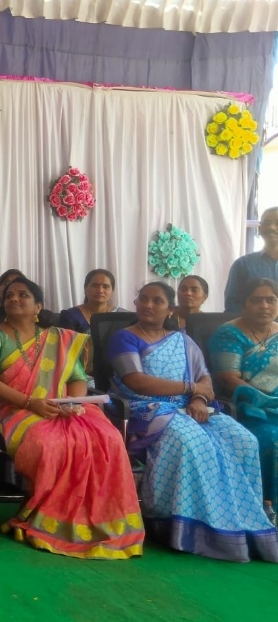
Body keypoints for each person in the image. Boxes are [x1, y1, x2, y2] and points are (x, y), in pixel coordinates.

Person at [0, 276, 144, 559]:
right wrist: (31, 403)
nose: (14, 298)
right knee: (49, 443)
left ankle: (99, 520)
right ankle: (47, 515)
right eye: (9, 295)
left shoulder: (58, 337)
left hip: (62, 406)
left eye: (23, 295)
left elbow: (77, 378)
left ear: (38, 306)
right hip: (16, 409)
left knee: (108, 437)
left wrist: (71, 404)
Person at [108, 281, 278, 562]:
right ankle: (189, 527)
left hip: (191, 407)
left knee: (244, 441)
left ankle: (244, 523)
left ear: (170, 309)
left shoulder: (183, 341)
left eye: (157, 301)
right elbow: (136, 381)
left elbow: (205, 380)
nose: (149, 305)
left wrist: (198, 399)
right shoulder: (124, 338)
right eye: (143, 299)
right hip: (147, 409)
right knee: (192, 440)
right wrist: (190, 389)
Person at [210, 278, 278, 504]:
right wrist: (267, 401)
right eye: (256, 300)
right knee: (273, 437)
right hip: (250, 409)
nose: (264, 306)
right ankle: (267, 504)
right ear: (243, 304)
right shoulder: (229, 334)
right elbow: (228, 378)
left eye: (271, 300)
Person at [225, 207, 278, 312]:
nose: (271, 227)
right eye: (267, 222)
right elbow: (232, 306)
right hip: (252, 323)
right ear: (259, 229)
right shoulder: (242, 265)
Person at [58, 269, 126, 334]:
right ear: (85, 289)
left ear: (112, 291)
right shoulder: (70, 316)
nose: (100, 290)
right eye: (95, 286)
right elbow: (67, 341)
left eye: (105, 286)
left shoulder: (122, 316)